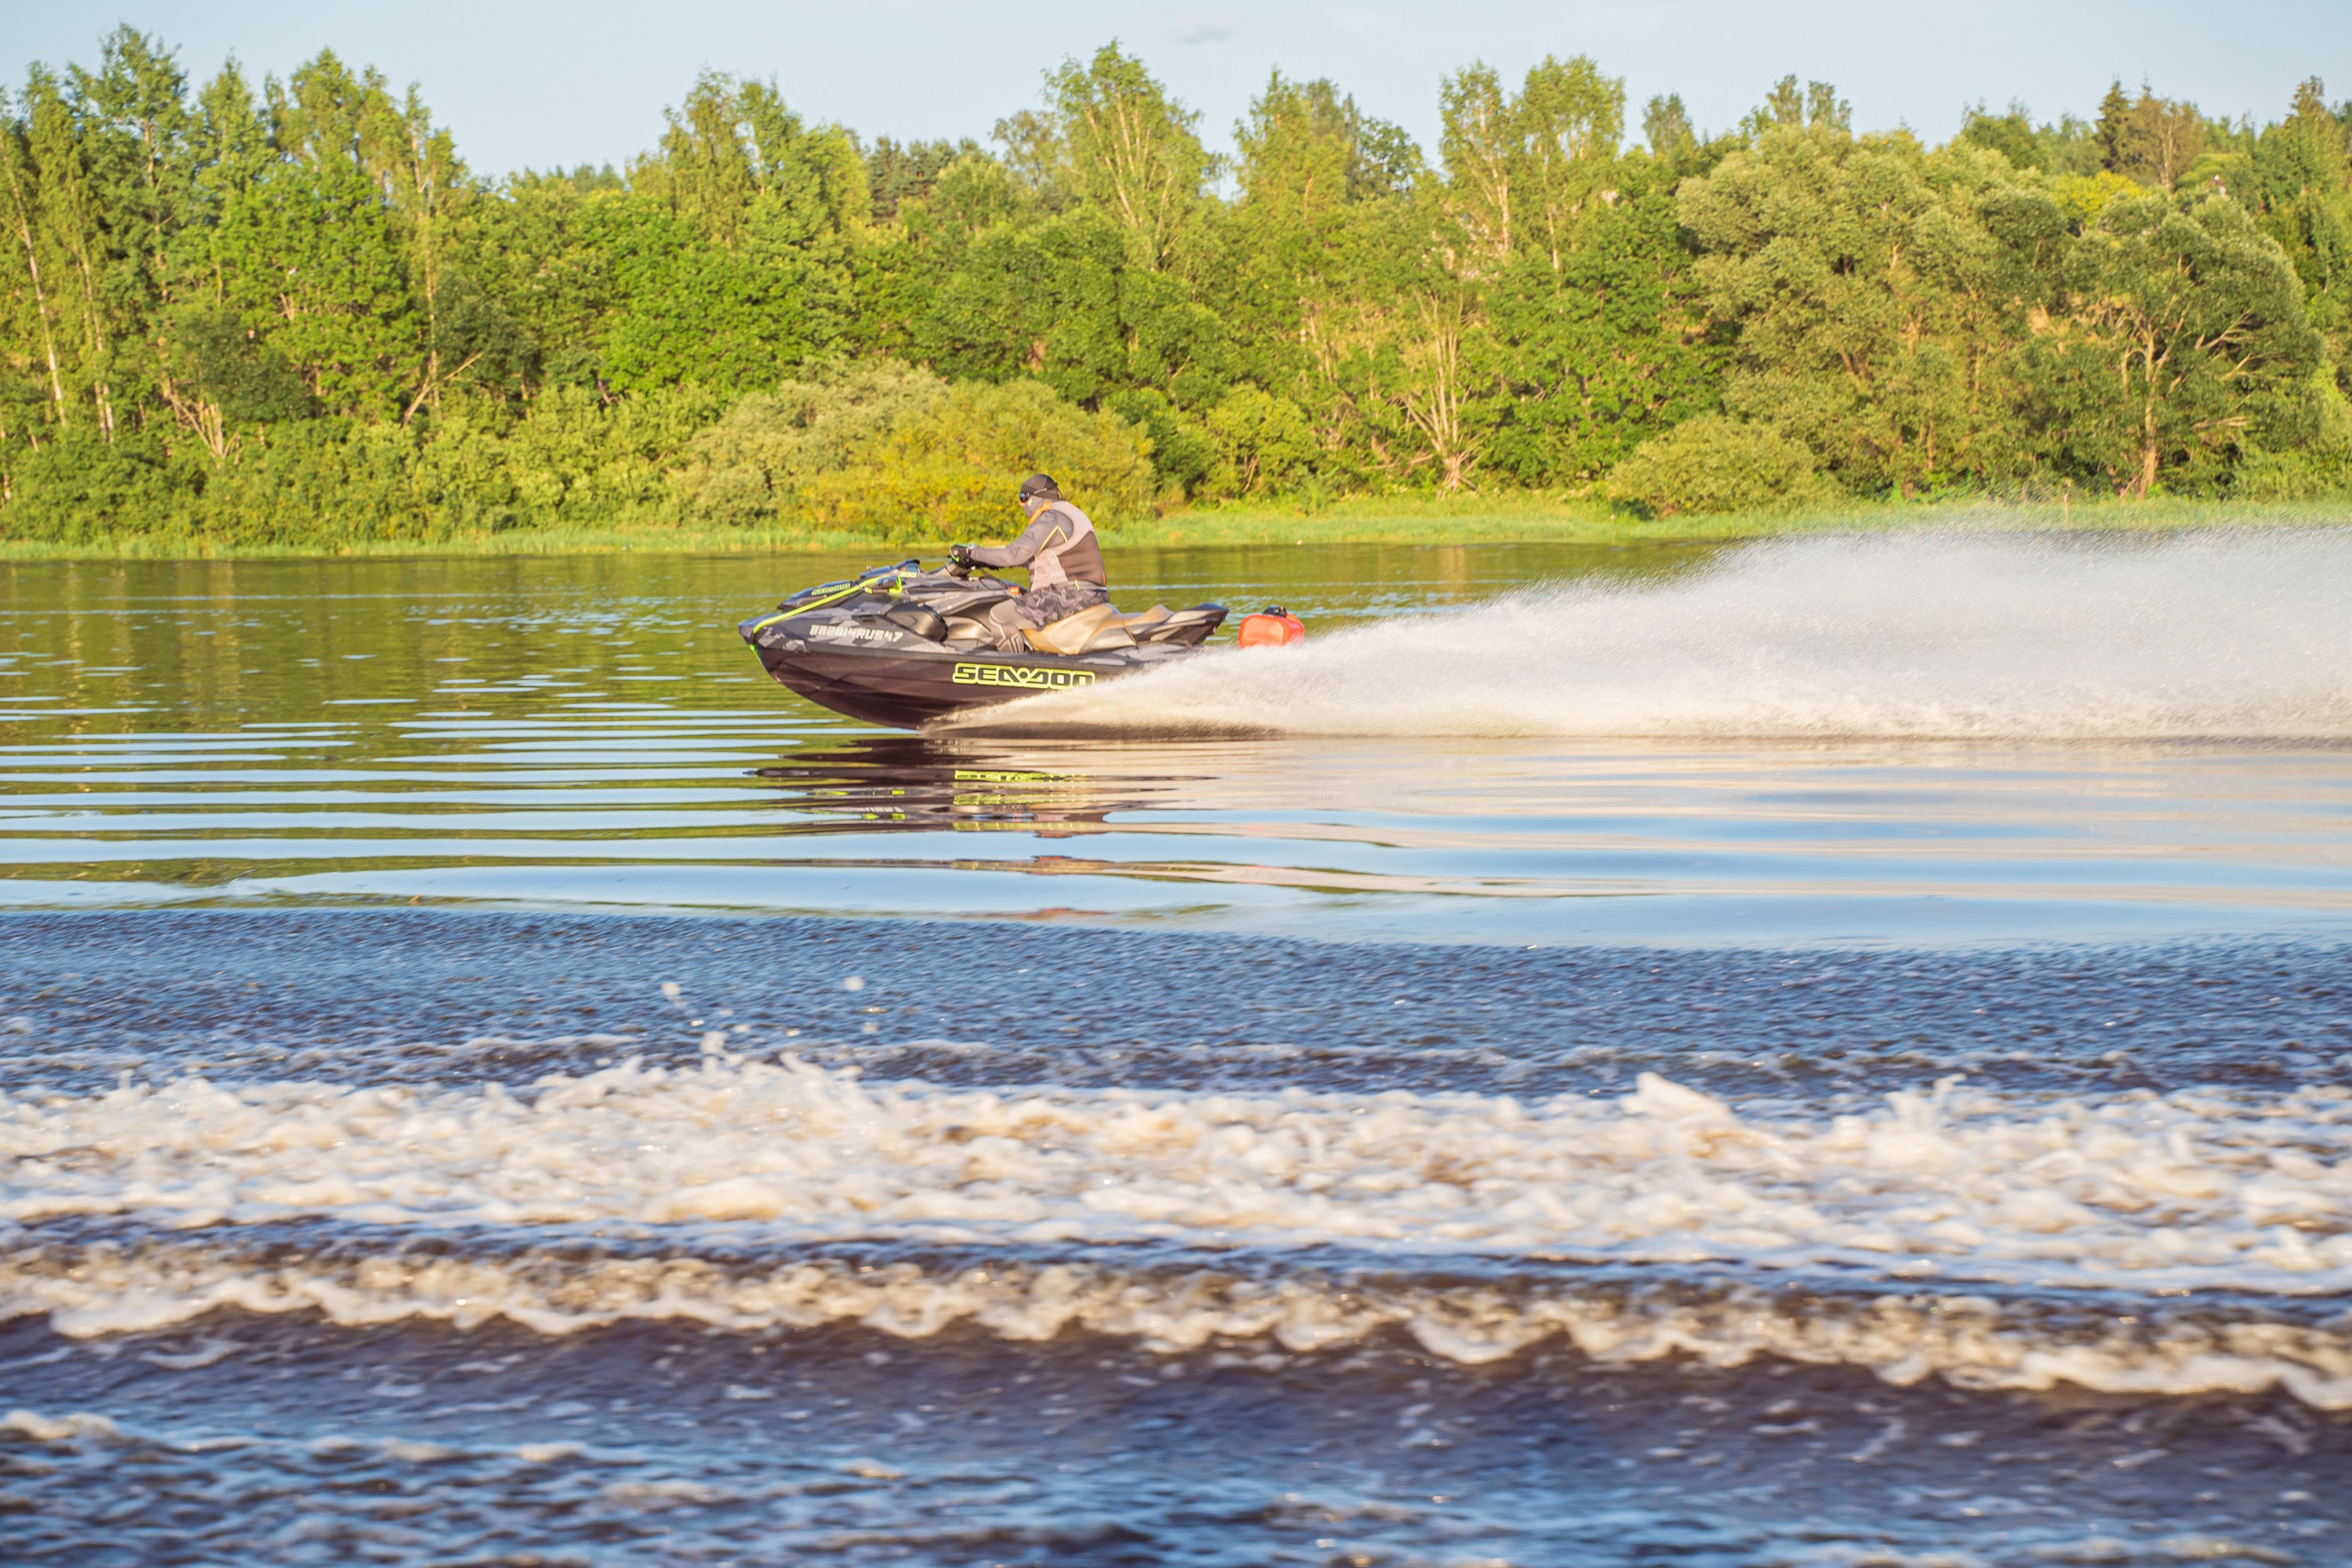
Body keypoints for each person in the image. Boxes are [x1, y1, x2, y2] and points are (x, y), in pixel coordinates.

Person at [948, 474, 1110, 653]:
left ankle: (1013, 667)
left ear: (1038, 496)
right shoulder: (1068, 512)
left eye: (1023, 497)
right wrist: (987, 560)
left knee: (1000, 616)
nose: (1021, 504)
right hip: (1088, 594)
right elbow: (1042, 559)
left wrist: (972, 552)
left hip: (1070, 596)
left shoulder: (1050, 517)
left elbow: (1014, 554)